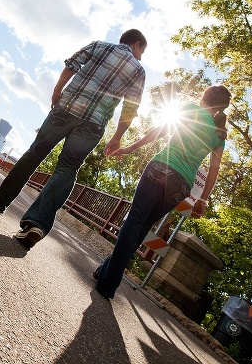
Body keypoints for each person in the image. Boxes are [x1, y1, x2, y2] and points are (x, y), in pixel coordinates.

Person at [0, 29, 148, 249]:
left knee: (34, 154)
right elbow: (131, 108)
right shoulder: (139, 70)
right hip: (92, 125)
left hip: (66, 108)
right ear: (136, 44)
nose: (140, 57)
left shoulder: (99, 46)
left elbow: (72, 64)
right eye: (142, 52)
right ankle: (36, 224)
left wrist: (57, 90)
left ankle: (0, 202)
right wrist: (117, 137)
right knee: (67, 169)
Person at [93, 85, 231, 300]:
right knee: (142, 227)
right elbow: (214, 169)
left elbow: (160, 131)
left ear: (204, 97)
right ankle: (105, 272)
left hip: (161, 168)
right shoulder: (218, 135)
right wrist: (203, 198)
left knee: (135, 221)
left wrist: (130, 148)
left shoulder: (190, 109)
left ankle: (109, 282)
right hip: (182, 185)